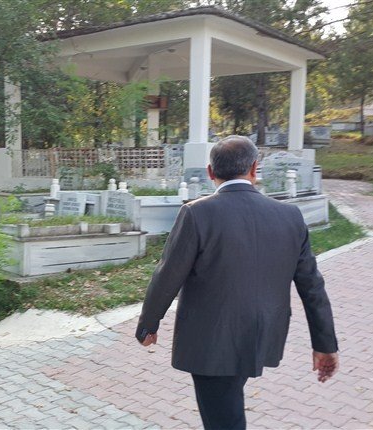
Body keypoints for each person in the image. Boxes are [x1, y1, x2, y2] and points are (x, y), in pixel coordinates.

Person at [135, 135, 339, 430]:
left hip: (211, 339)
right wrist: (325, 344)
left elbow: (168, 274)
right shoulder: (290, 215)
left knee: (224, 419)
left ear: (210, 172)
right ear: (254, 168)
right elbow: (312, 286)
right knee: (227, 407)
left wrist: (148, 324)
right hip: (261, 333)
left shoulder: (197, 213)